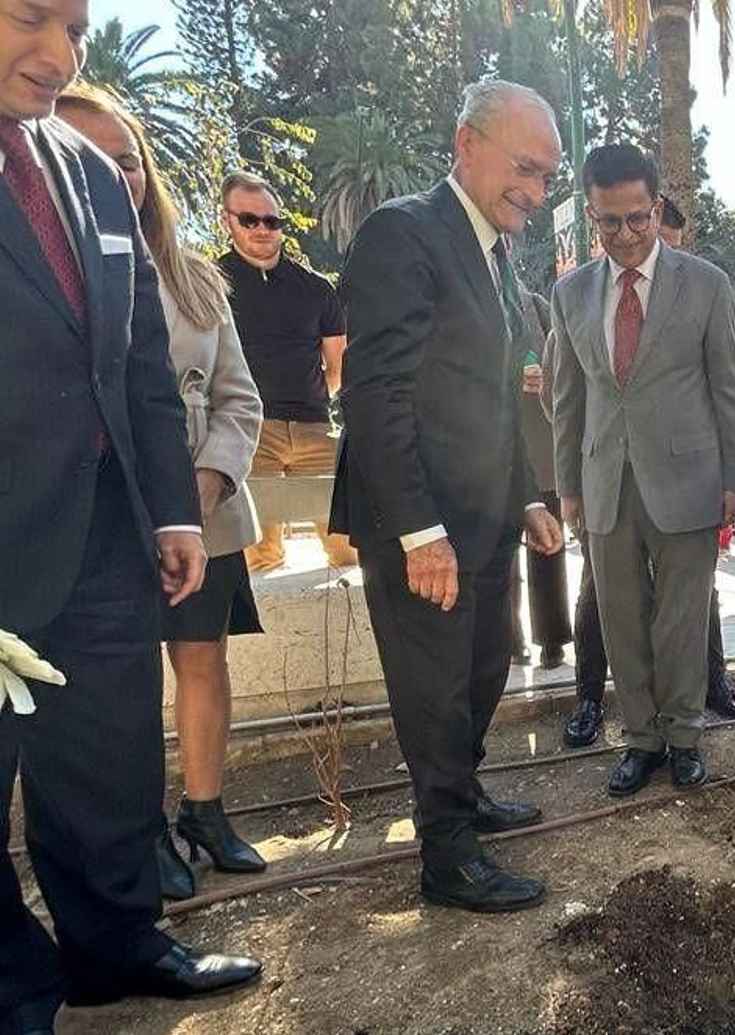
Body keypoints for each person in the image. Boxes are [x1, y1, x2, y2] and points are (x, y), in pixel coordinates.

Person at [0, 0, 260, 1035]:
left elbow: (144, 364)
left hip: (107, 534)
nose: (58, 57)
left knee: (106, 756)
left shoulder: (94, 177)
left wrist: (173, 511)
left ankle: (115, 944)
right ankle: (13, 1001)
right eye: (28, 19)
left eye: (75, 28)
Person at [330, 79, 567, 913]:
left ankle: (461, 802)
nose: (537, 194)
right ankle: (447, 858)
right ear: (466, 144)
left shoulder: (496, 255)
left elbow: (494, 396)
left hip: (486, 515)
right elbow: (377, 395)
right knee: (434, 692)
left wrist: (529, 497)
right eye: (526, 169)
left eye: (546, 179)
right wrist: (420, 532)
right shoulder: (404, 234)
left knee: (480, 670)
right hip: (423, 525)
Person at [55, 88, 269, 902]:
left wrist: (208, 479)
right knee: (122, 684)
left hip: (203, 515)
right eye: (98, 158)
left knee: (201, 662)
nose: (121, 174)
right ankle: (137, 829)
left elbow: (237, 397)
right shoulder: (47, 277)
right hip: (100, 517)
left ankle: (205, 812)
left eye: (130, 158)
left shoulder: (196, 281)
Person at [549, 144, 735, 795]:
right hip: (606, 483)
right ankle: (641, 741)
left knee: (682, 618)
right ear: (591, 217)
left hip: (690, 483)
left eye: (638, 218)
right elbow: (568, 398)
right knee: (622, 618)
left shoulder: (706, 284)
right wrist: (568, 488)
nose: (627, 235)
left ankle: (685, 736)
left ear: (656, 207)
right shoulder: (571, 293)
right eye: (610, 223)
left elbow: (728, 387)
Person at [218, 170, 355, 573]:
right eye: (250, 220)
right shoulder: (209, 283)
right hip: (250, 433)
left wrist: (314, 401)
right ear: (227, 219)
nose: (262, 229)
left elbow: (339, 363)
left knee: (348, 551)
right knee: (261, 559)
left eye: (272, 221)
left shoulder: (315, 288)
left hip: (315, 428)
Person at [515, 290, 573, 670]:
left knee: (548, 545)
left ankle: (551, 637)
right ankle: (507, 637)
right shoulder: (458, 298)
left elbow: (564, 363)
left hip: (539, 446)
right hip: (488, 446)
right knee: (498, 553)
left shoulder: (534, 304)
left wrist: (545, 378)